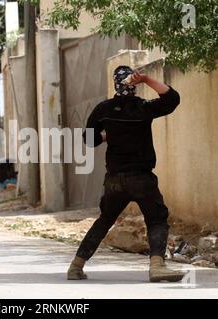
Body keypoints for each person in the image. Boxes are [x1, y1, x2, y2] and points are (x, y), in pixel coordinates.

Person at [67, 66, 185, 283]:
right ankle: (157, 266)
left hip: (114, 179)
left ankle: (76, 266)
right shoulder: (143, 108)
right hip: (141, 177)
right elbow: (172, 99)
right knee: (156, 219)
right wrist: (148, 79)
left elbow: (89, 139)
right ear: (134, 84)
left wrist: (107, 136)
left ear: (115, 84)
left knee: (105, 220)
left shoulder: (103, 109)